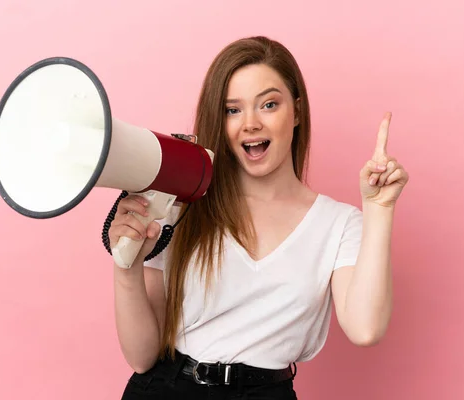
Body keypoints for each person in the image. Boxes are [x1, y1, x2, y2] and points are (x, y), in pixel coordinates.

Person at [108, 36, 409, 400]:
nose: (250, 123)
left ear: (296, 112)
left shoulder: (339, 224)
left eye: (268, 104)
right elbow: (141, 358)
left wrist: (379, 209)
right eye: (233, 110)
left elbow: (366, 328)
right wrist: (127, 268)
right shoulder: (184, 202)